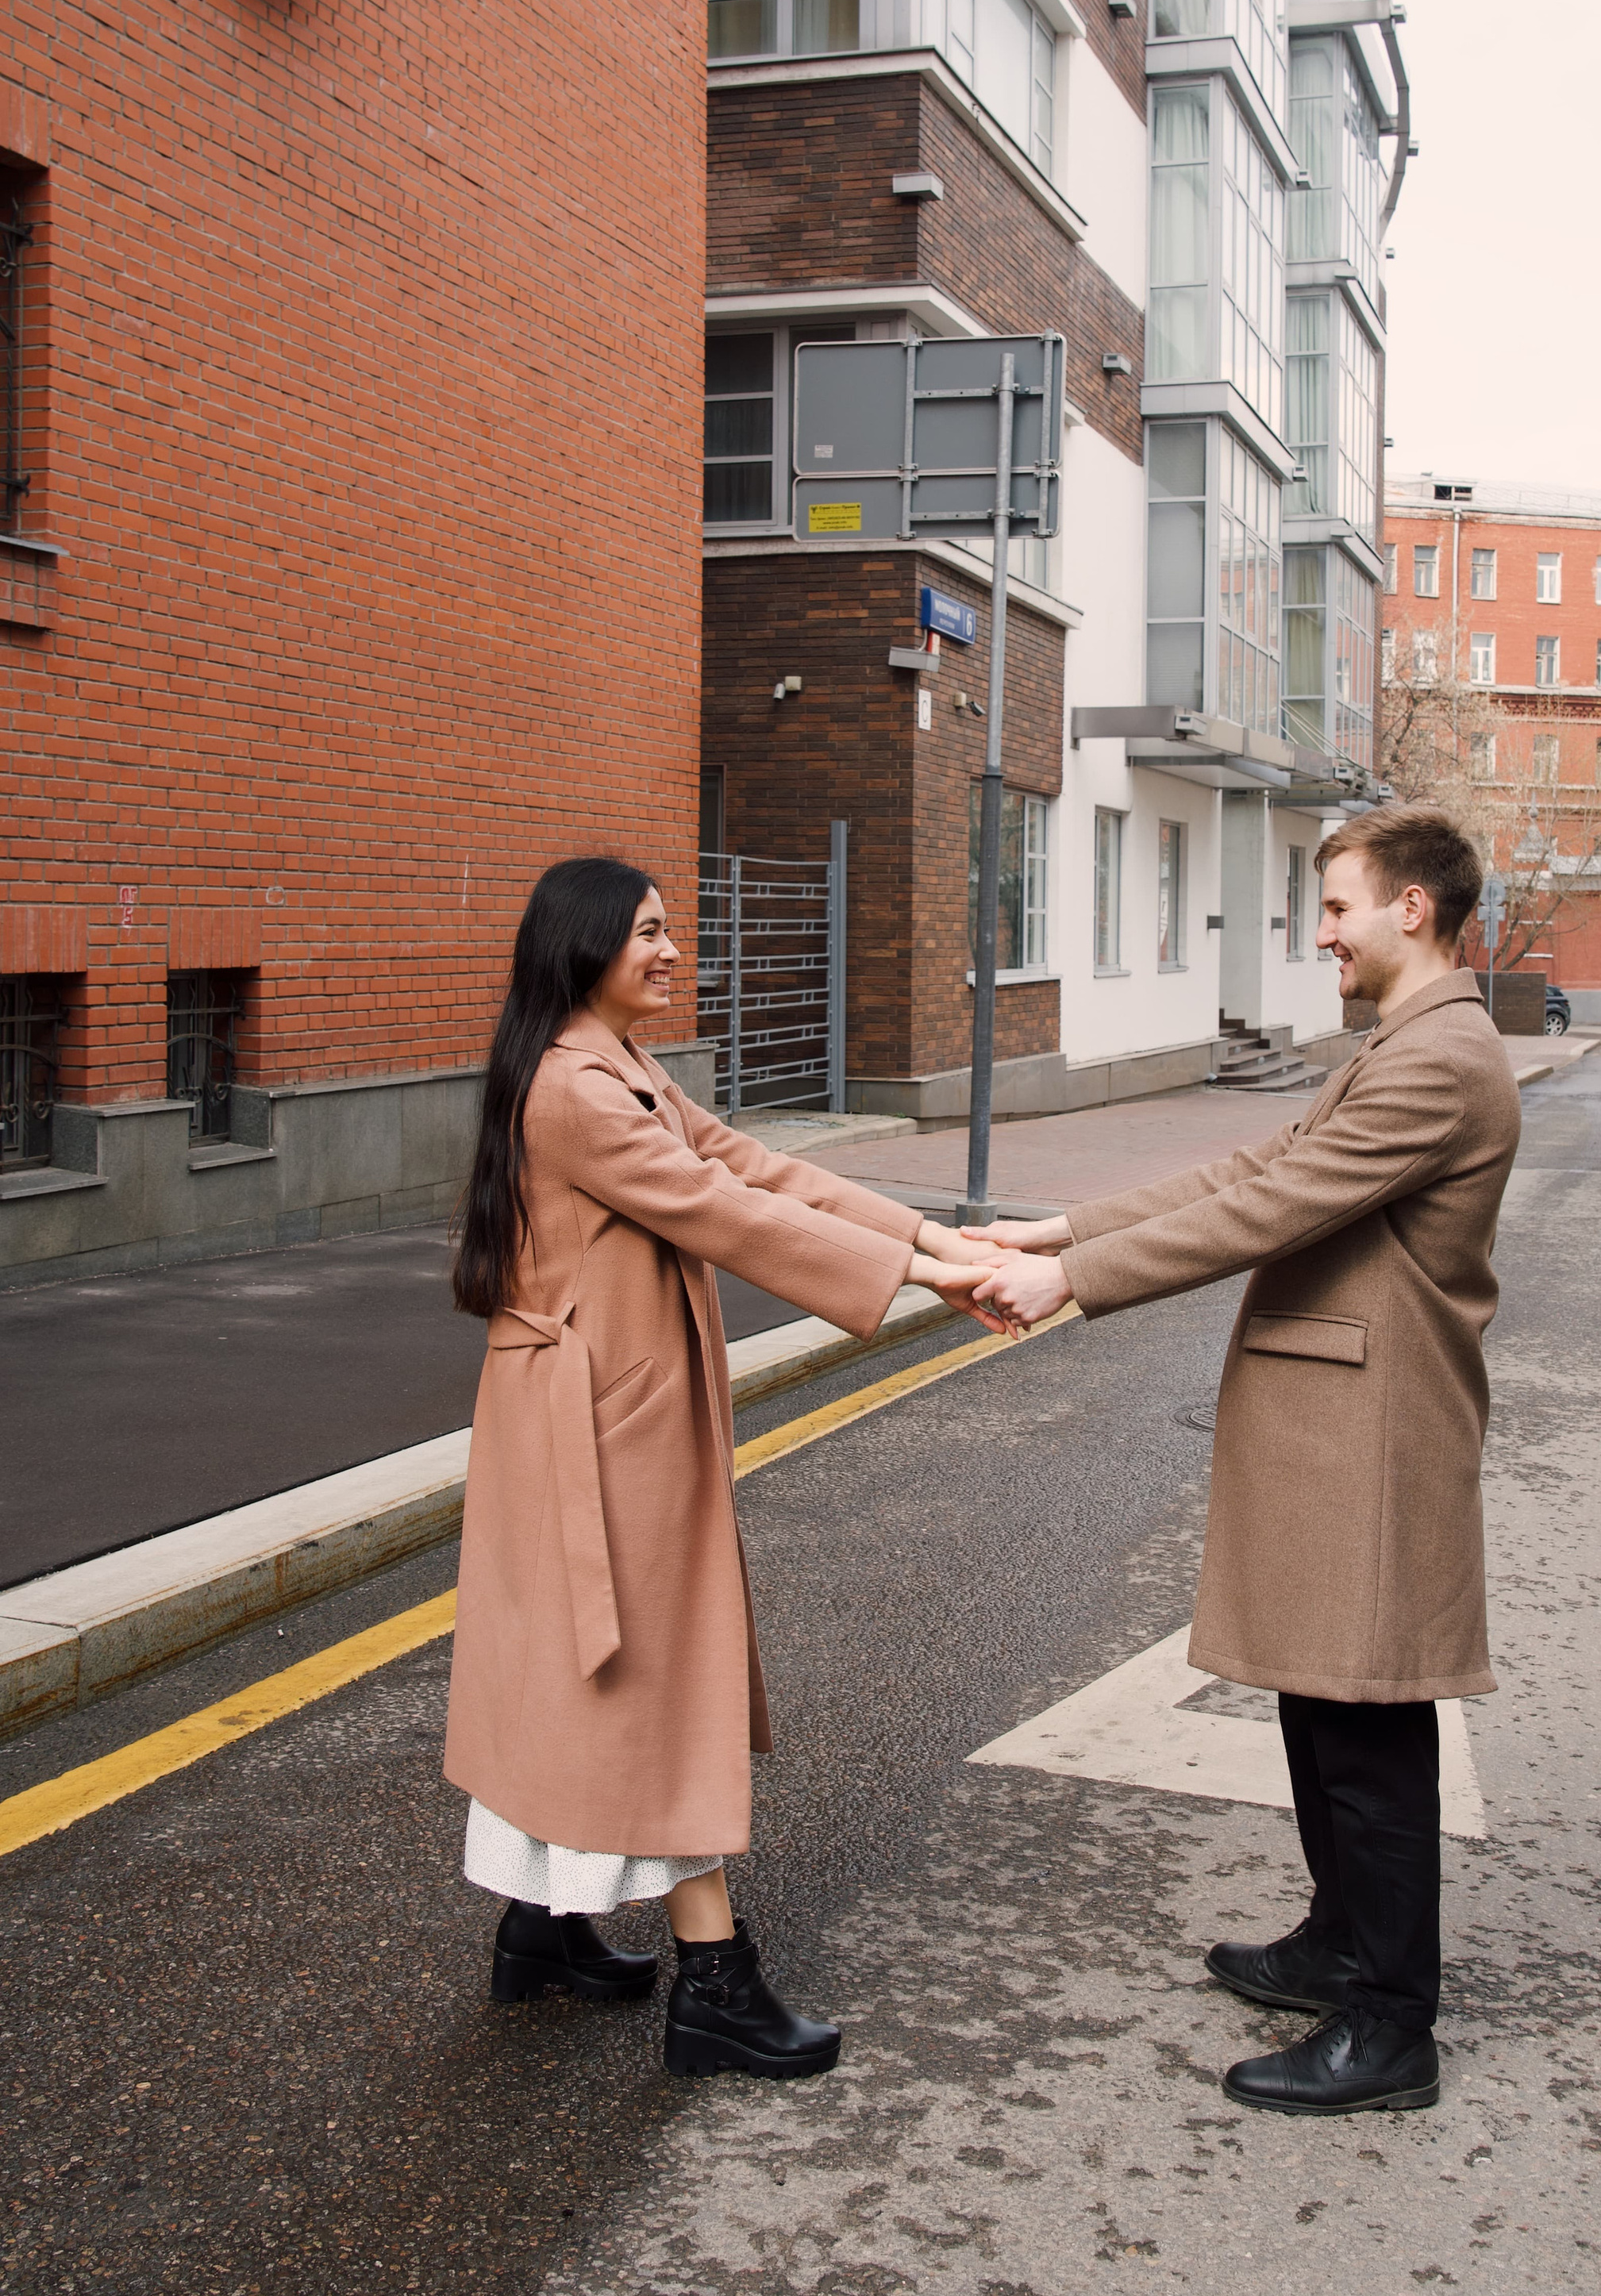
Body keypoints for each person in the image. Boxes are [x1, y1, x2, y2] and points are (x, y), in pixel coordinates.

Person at [965, 806, 1522, 2115]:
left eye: (1337, 908)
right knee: (1321, 1699)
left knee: (1370, 1723)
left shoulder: (1440, 1060)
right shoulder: (1402, 1043)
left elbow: (1278, 1205)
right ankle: (1342, 1940)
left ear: (1412, 912)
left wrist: (1071, 1284)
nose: (1319, 933)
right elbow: (1259, 1161)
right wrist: (1057, 1228)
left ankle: (1390, 2024)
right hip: (1339, 1420)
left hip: (1376, 1431)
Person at [445, 856, 1007, 2080]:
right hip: (594, 1429)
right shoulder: (576, 1090)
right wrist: (929, 1279)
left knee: (579, 1676)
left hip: (609, 1411)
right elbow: (727, 1216)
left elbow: (757, 1169)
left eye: (669, 930)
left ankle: (540, 1930)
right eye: (646, 932)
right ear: (583, 945)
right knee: (651, 1678)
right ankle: (715, 1983)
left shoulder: (618, 1067)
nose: (669, 950)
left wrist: (925, 1235)